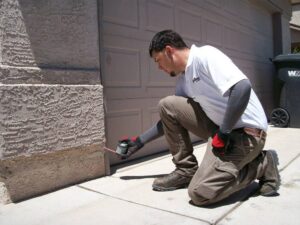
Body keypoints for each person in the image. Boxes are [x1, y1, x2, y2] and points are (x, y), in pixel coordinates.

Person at [116, 30, 280, 206]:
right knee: (168, 105)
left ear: (169, 51)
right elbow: (169, 119)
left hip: (247, 134)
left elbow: (242, 88)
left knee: (200, 193)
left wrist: (224, 133)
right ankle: (185, 170)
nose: (159, 67)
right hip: (221, 132)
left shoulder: (205, 56)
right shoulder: (183, 79)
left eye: (158, 61)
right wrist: (139, 141)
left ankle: (262, 164)